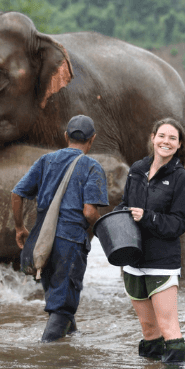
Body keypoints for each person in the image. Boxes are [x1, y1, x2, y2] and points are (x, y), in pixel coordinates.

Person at [12, 115, 109, 342]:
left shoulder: (46, 161)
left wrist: (19, 228)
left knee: (58, 298)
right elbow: (89, 212)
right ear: (92, 139)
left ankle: (69, 346)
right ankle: (47, 360)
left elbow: (17, 193)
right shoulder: (92, 167)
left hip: (42, 243)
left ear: (66, 136)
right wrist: (106, 231)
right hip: (70, 243)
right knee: (63, 307)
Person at [120, 118, 185, 364]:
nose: (166, 142)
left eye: (172, 138)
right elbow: (125, 205)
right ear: (153, 137)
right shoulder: (137, 169)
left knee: (168, 327)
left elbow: (180, 223)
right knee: (149, 330)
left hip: (162, 262)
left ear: (179, 144)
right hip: (133, 260)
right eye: (162, 136)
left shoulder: (181, 179)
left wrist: (147, 217)